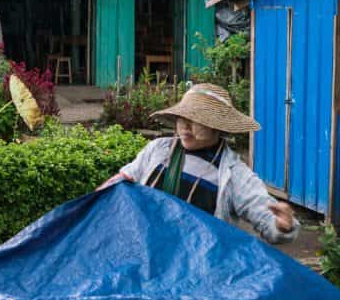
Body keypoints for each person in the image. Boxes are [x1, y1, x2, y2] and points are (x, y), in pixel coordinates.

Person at [104, 83, 298, 244]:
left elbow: (265, 217)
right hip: (146, 249)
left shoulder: (234, 174)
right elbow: (126, 178)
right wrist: (99, 196)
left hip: (197, 270)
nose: (185, 127)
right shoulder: (158, 149)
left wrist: (282, 226)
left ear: (218, 127)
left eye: (197, 120)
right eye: (182, 118)